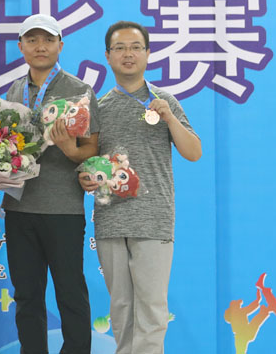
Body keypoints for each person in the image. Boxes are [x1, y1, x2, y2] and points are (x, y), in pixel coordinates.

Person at [80, 21, 201, 354]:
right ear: (108, 56)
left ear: (148, 53)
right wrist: (87, 178)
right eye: (119, 48)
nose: (128, 54)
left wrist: (170, 118)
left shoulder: (164, 102)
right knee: (121, 309)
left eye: (135, 47)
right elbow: (88, 163)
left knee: (151, 310)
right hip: (111, 222)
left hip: (154, 220)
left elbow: (194, 152)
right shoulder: (98, 107)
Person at [2, 13, 100, 354]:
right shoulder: (14, 90)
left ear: (60, 45)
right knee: (26, 295)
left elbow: (91, 149)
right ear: (21, 46)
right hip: (19, 207)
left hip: (63, 209)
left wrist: (69, 148)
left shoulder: (79, 90)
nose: (40, 46)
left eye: (47, 40)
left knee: (70, 292)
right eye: (32, 40)